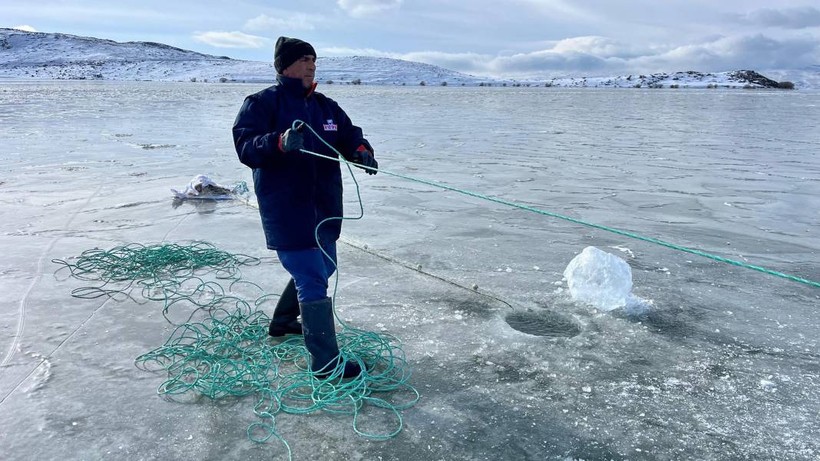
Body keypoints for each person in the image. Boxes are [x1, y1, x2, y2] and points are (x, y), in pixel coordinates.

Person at [232, 36, 378, 379]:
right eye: (303, 60)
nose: (311, 65)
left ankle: (284, 321)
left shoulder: (326, 106)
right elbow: (245, 146)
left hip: (325, 205)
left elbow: (348, 134)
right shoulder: (262, 103)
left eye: (313, 59)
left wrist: (361, 150)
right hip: (288, 208)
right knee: (312, 278)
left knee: (322, 268)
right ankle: (327, 364)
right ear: (284, 66)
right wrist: (279, 142)